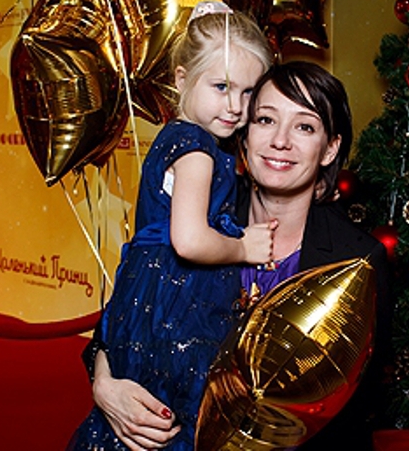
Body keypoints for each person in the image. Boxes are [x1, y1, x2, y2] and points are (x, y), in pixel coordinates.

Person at [80, 61, 390, 450]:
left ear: (330, 149)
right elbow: (126, 315)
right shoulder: (199, 219)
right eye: (265, 120)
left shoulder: (357, 258)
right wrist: (105, 386)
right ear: (244, 133)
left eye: (305, 127)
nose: (280, 141)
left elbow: (356, 408)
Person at [67, 1, 275, 451]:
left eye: (248, 93)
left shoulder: (177, 138)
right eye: (221, 86)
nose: (235, 107)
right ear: (181, 79)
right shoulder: (197, 148)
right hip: (178, 308)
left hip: (147, 299)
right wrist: (244, 248)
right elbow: (190, 240)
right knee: (175, 419)